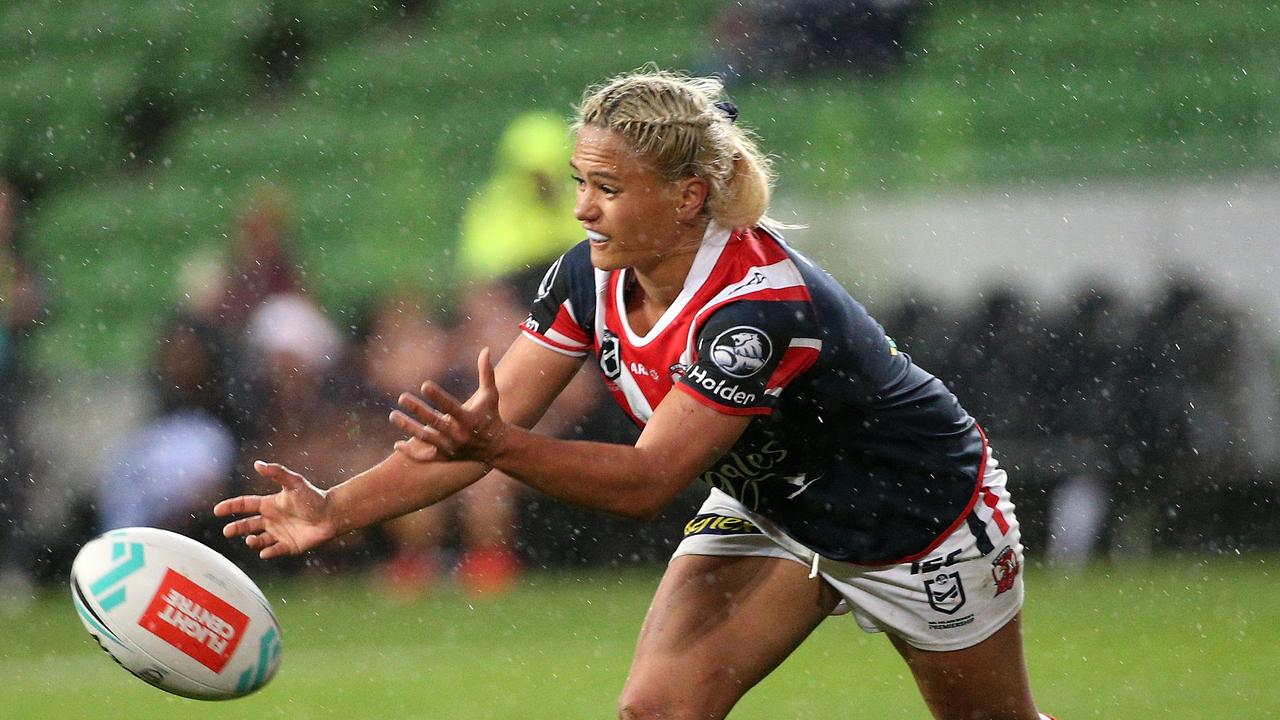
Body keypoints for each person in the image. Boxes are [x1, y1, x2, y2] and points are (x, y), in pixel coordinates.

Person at [215, 69, 1054, 720]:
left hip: (914, 516)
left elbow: (646, 481)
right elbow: (480, 426)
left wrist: (498, 448)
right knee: (656, 709)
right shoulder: (588, 274)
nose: (582, 209)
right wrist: (335, 509)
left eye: (607, 189)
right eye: (580, 182)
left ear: (688, 196)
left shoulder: (755, 309)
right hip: (775, 508)